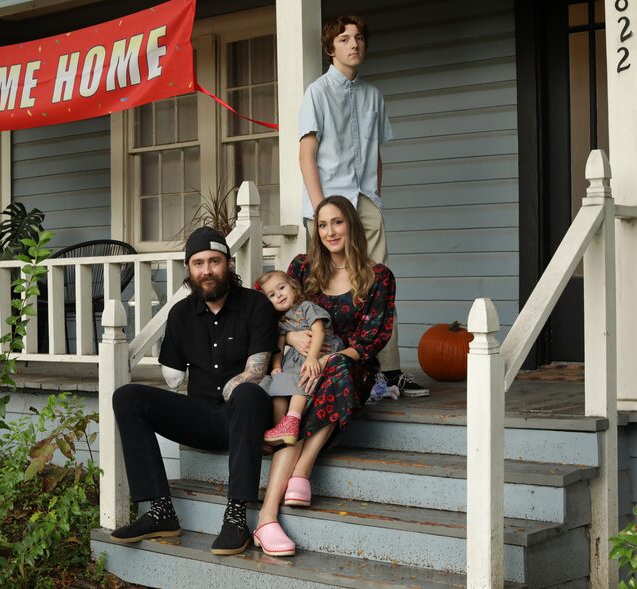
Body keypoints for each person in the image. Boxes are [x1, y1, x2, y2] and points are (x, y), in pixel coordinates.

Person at [109, 227, 276, 556]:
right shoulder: (181, 314)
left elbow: (257, 371)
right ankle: (160, 511)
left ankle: (236, 516)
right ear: (189, 269)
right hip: (200, 418)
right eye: (198, 263)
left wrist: (234, 386)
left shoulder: (255, 305)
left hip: (243, 417)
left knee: (246, 393)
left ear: (228, 263)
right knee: (127, 396)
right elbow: (171, 374)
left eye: (214, 261)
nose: (207, 270)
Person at [252, 195, 395, 557]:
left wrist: (328, 358)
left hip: (349, 367)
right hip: (300, 368)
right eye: (322, 224)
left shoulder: (377, 277)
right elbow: (268, 313)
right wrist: (287, 338)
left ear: (351, 225)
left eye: (337, 222)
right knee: (293, 414)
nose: (330, 231)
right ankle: (268, 518)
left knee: (335, 375)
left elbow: (370, 340)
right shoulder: (302, 268)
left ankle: (303, 468)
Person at [298, 14, 428, 397]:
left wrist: (375, 197)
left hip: (365, 201)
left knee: (379, 283)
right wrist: (323, 212)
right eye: (343, 39)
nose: (353, 44)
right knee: (326, 287)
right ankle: (329, 364)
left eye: (358, 38)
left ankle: (388, 371)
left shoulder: (374, 96)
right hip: (329, 203)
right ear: (330, 47)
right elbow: (306, 155)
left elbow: (375, 155)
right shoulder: (317, 92)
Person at [255, 270, 343, 447]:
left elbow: (319, 330)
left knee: (300, 378)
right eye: (272, 295)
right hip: (296, 357)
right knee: (278, 384)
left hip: (320, 351)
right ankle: (278, 429)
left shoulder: (306, 307)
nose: (279, 295)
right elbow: (278, 346)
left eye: (281, 288)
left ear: (293, 287)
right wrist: (277, 366)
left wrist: (311, 358)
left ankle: (292, 420)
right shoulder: (279, 322)